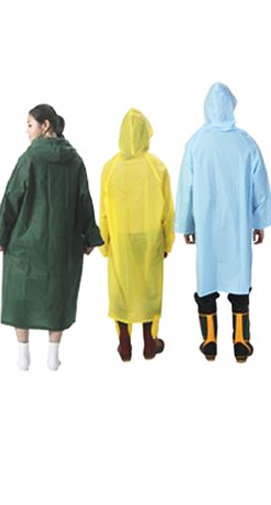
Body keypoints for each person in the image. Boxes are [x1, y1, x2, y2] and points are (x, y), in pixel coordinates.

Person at [0, 104, 103, 370]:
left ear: (45, 125)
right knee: (58, 293)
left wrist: (0, 234)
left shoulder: (29, 158)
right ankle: (53, 356)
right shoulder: (75, 160)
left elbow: (12, 197)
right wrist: (89, 237)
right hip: (62, 244)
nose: (27, 131)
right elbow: (84, 201)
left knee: (21, 294)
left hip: (26, 242)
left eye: (30, 125)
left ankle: (23, 355)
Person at [175, 82, 271, 363]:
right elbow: (260, 187)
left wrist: (187, 224)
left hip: (206, 226)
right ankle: (241, 343)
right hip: (237, 225)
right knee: (239, 280)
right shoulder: (246, 143)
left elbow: (186, 189)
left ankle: (209, 342)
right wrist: (259, 221)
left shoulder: (196, 143)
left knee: (207, 279)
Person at [99, 109, 174, 362]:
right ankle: (150, 340)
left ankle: (124, 340)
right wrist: (167, 241)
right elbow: (168, 210)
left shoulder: (110, 168)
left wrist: (104, 243)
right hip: (150, 236)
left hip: (120, 237)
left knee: (122, 289)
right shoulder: (157, 167)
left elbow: (104, 211)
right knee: (149, 289)